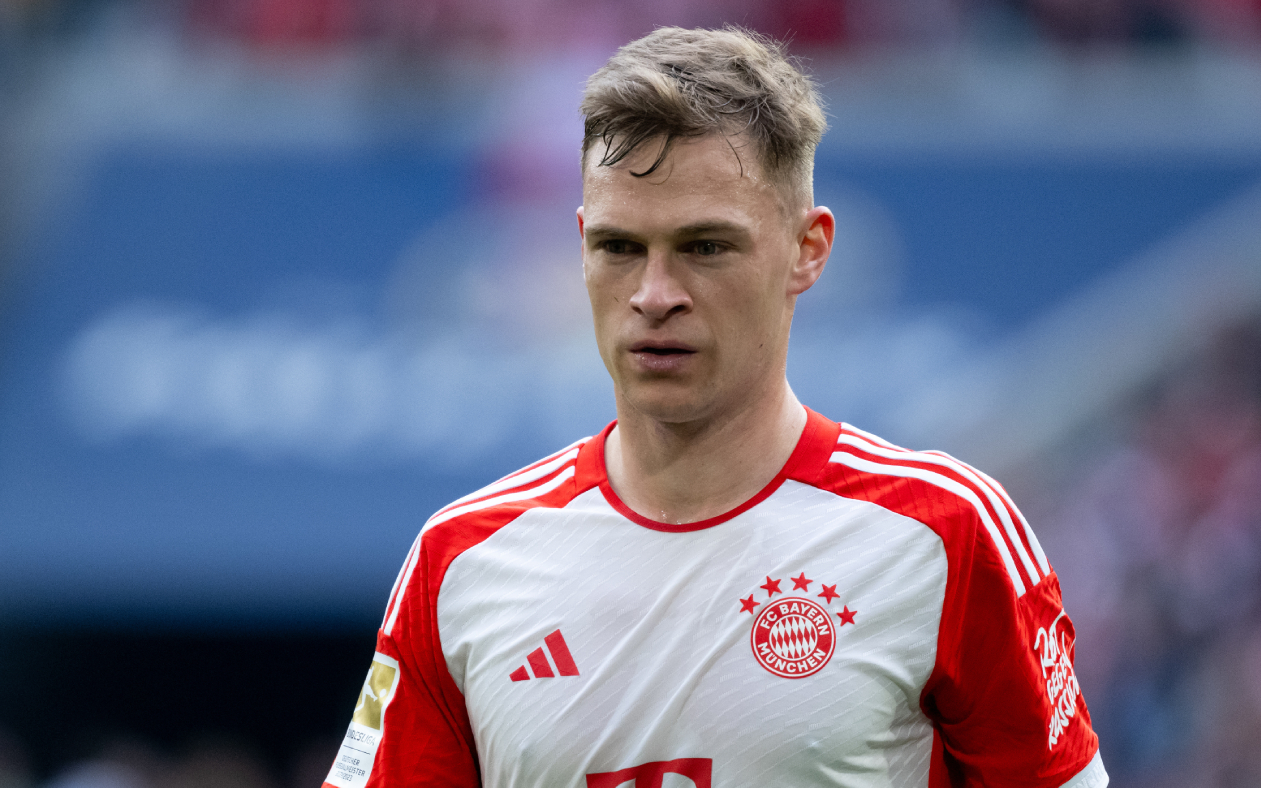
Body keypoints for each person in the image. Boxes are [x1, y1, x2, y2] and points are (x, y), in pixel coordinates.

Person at [323, 26, 1107, 788]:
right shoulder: (461, 562)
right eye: (619, 247)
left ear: (807, 250)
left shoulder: (945, 533)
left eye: (705, 247)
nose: (654, 295)